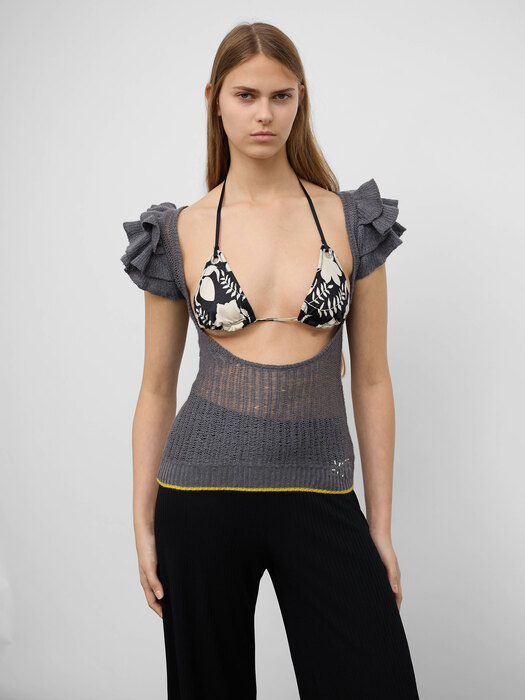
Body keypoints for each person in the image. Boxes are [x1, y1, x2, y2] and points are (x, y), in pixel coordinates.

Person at [120, 21, 420, 700]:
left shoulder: (351, 221)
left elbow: (372, 380)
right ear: (214, 99)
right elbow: (156, 389)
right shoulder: (177, 230)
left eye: (281, 96)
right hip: (197, 497)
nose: (264, 114)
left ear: (300, 99)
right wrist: (141, 522)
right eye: (247, 95)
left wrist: (378, 527)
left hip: (319, 490)